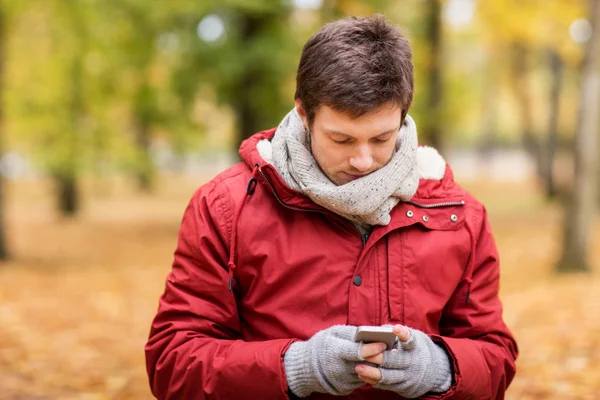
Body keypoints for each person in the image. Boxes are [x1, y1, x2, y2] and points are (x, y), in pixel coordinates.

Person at [145, 14, 518, 400]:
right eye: (341, 139)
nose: (363, 160)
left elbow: (495, 358)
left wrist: (439, 367)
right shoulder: (225, 207)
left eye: (381, 137)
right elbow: (172, 361)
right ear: (304, 113)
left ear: (404, 116)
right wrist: (296, 367)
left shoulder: (459, 215)